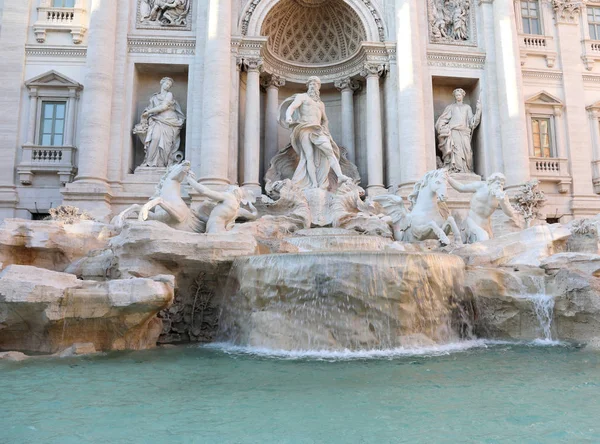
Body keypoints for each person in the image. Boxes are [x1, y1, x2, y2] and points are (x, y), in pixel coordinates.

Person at [278, 76, 351, 190]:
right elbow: (292, 107)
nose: (313, 86)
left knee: (330, 151)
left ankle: (340, 175)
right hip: (304, 128)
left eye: (315, 84)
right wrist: (288, 116)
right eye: (311, 84)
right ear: (308, 86)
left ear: (318, 87)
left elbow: (325, 119)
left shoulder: (320, 104)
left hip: (318, 130)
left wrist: (325, 130)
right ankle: (314, 184)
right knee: (309, 156)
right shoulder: (302, 97)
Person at [447, 173, 521, 243]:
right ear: (491, 182)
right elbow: (461, 188)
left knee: (488, 247)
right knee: (483, 238)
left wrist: (503, 201)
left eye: (502, 184)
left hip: (486, 226)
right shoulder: (480, 186)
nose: (499, 186)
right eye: (498, 183)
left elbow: (509, 213)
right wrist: (448, 178)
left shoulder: (501, 196)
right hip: (472, 221)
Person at [134, 77, 185, 168]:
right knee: (155, 138)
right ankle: (149, 162)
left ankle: (162, 164)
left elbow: (164, 106)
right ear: (162, 83)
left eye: (169, 85)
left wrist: (149, 112)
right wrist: (146, 114)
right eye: (166, 83)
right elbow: (149, 108)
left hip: (169, 121)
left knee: (167, 144)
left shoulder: (169, 94)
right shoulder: (154, 97)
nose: (168, 86)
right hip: (157, 120)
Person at [435, 88, 482, 173]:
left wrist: (478, 110)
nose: (458, 96)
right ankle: (457, 170)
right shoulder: (451, 107)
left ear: (463, 96)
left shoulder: (467, 107)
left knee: (468, 152)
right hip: (454, 131)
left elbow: (472, 122)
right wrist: (441, 127)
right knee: (456, 150)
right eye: (456, 95)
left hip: (465, 132)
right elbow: (443, 119)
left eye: (459, 95)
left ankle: (467, 170)